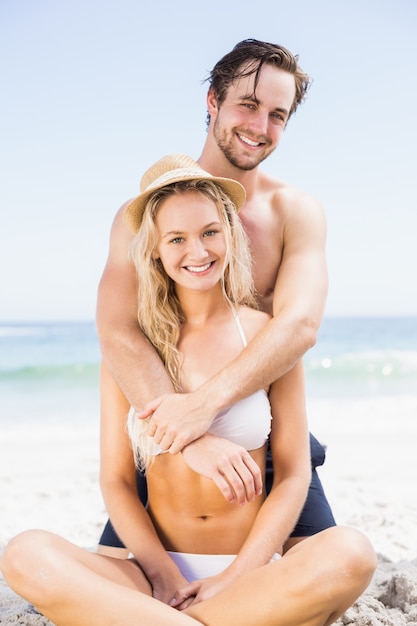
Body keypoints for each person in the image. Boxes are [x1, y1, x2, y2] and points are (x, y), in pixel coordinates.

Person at [0, 156, 377, 626]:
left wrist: (238, 576)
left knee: (352, 552)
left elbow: (294, 475)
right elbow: (116, 481)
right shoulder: (133, 350)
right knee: (23, 554)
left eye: (209, 232)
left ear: (230, 232)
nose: (196, 251)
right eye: (176, 238)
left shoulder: (267, 337)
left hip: (245, 575)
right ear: (154, 250)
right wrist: (161, 575)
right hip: (154, 576)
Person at [96, 38, 335, 556]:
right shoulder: (142, 218)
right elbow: (118, 330)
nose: (259, 126)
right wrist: (185, 432)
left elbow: (298, 327)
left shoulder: (295, 213)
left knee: (327, 572)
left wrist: (202, 409)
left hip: (265, 436)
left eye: (277, 114)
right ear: (213, 101)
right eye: (247, 105)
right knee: (120, 582)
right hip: (164, 443)